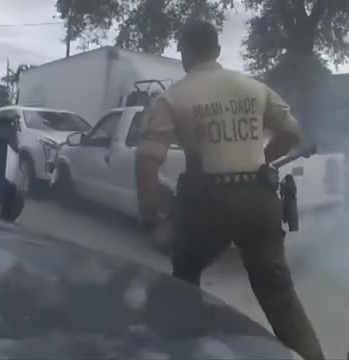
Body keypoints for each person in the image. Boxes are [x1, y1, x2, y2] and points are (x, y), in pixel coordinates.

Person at [134, 19, 325, 360]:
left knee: (185, 280)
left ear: (183, 52)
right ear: (218, 51)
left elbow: (147, 162)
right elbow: (292, 134)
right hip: (260, 201)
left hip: (206, 204)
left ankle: (183, 349)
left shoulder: (173, 97)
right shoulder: (254, 88)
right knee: (280, 296)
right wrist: (262, 163)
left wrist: (153, 218)